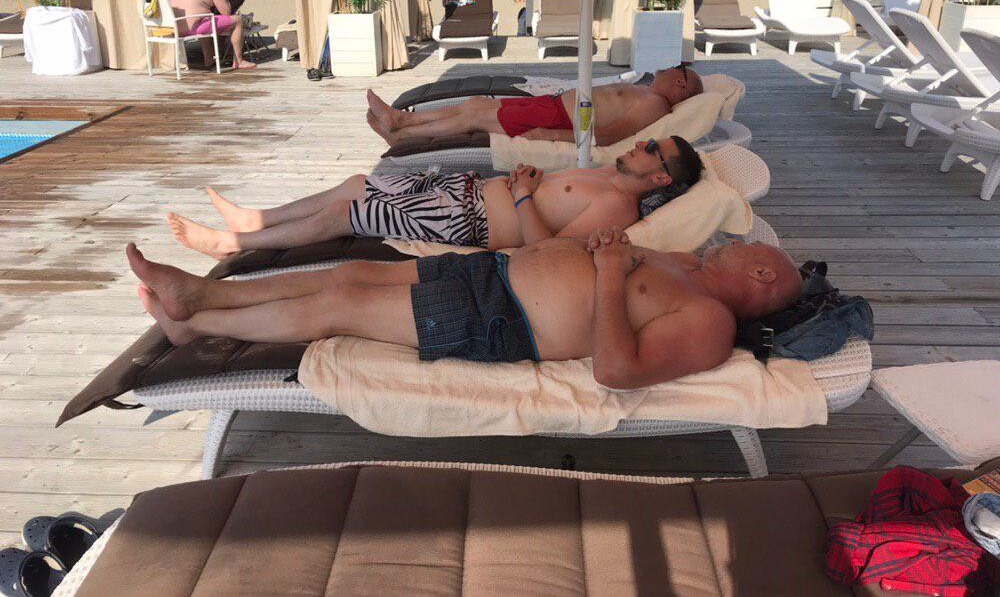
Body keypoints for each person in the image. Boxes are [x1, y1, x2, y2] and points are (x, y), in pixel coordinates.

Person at [127, 231, 803, 389]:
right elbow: (617, 264)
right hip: (494, 270)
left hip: (502, 317)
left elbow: (617, 371)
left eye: (746, 246)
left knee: (341, 303)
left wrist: (604, 273)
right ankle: (205, 294)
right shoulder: (688, 264)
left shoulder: (711, 323)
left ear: (762, 273)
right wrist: (604, 249)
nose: (733, 241)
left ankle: (196, 323)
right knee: (351, 271)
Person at [166, 136, 704, 259]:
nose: (641, 144)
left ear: (661, 179)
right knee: (356, 183)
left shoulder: (617, 209)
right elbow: (551, 196)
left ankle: (233, 244)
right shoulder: (604, 173)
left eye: (652, 149)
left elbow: (545, 253)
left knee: (348, 212)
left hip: (466, 221)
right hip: (463, 192)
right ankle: (256, 218)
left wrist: (521, 196)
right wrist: (531, 179)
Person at [366, 65, 704, 147]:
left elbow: (611, 134)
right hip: (553, 106)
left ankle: (403, 128)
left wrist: (551, 135)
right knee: (476, 103)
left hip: (556, 118)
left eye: (676, 68)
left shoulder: (655, 105)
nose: (666, 67)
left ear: (681, 83)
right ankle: (403, 122)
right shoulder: (646, 91)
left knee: (474, 117)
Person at [167, 0, 256, 71]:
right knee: (237, 20)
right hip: (192, 28)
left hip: (174, 26)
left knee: (204, 18)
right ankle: (239, 61)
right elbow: (226, 12)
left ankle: (208, 61)